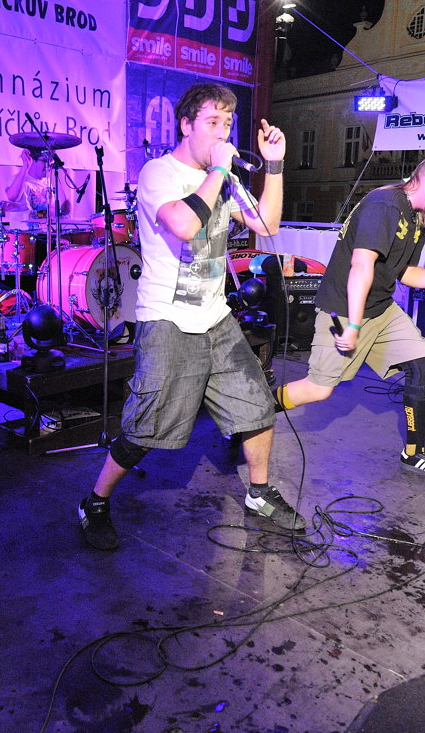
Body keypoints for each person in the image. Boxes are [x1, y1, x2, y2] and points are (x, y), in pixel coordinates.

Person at [77, 83, 304, 550]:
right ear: (186, 125)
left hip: (216, 317)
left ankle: (259, 494)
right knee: (146, 427)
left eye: (228, 124)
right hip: (168, 319)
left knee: (257, 405)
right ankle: (95, 501)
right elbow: (184, 224)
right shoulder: (158, 172)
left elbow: (267, 224)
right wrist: (219, 170)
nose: (222, 133)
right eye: (212, 122)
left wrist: (275, 165)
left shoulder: (226, 180)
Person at [274, 153, 425, 482]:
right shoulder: (385, 206)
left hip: (381, 309)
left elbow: (403, 272)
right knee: (318, 389)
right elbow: (361, 266)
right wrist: (353, 324)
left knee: (422, 366)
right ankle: (253, 413)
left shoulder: (417, 219)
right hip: (344, 309)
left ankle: (414, 454)